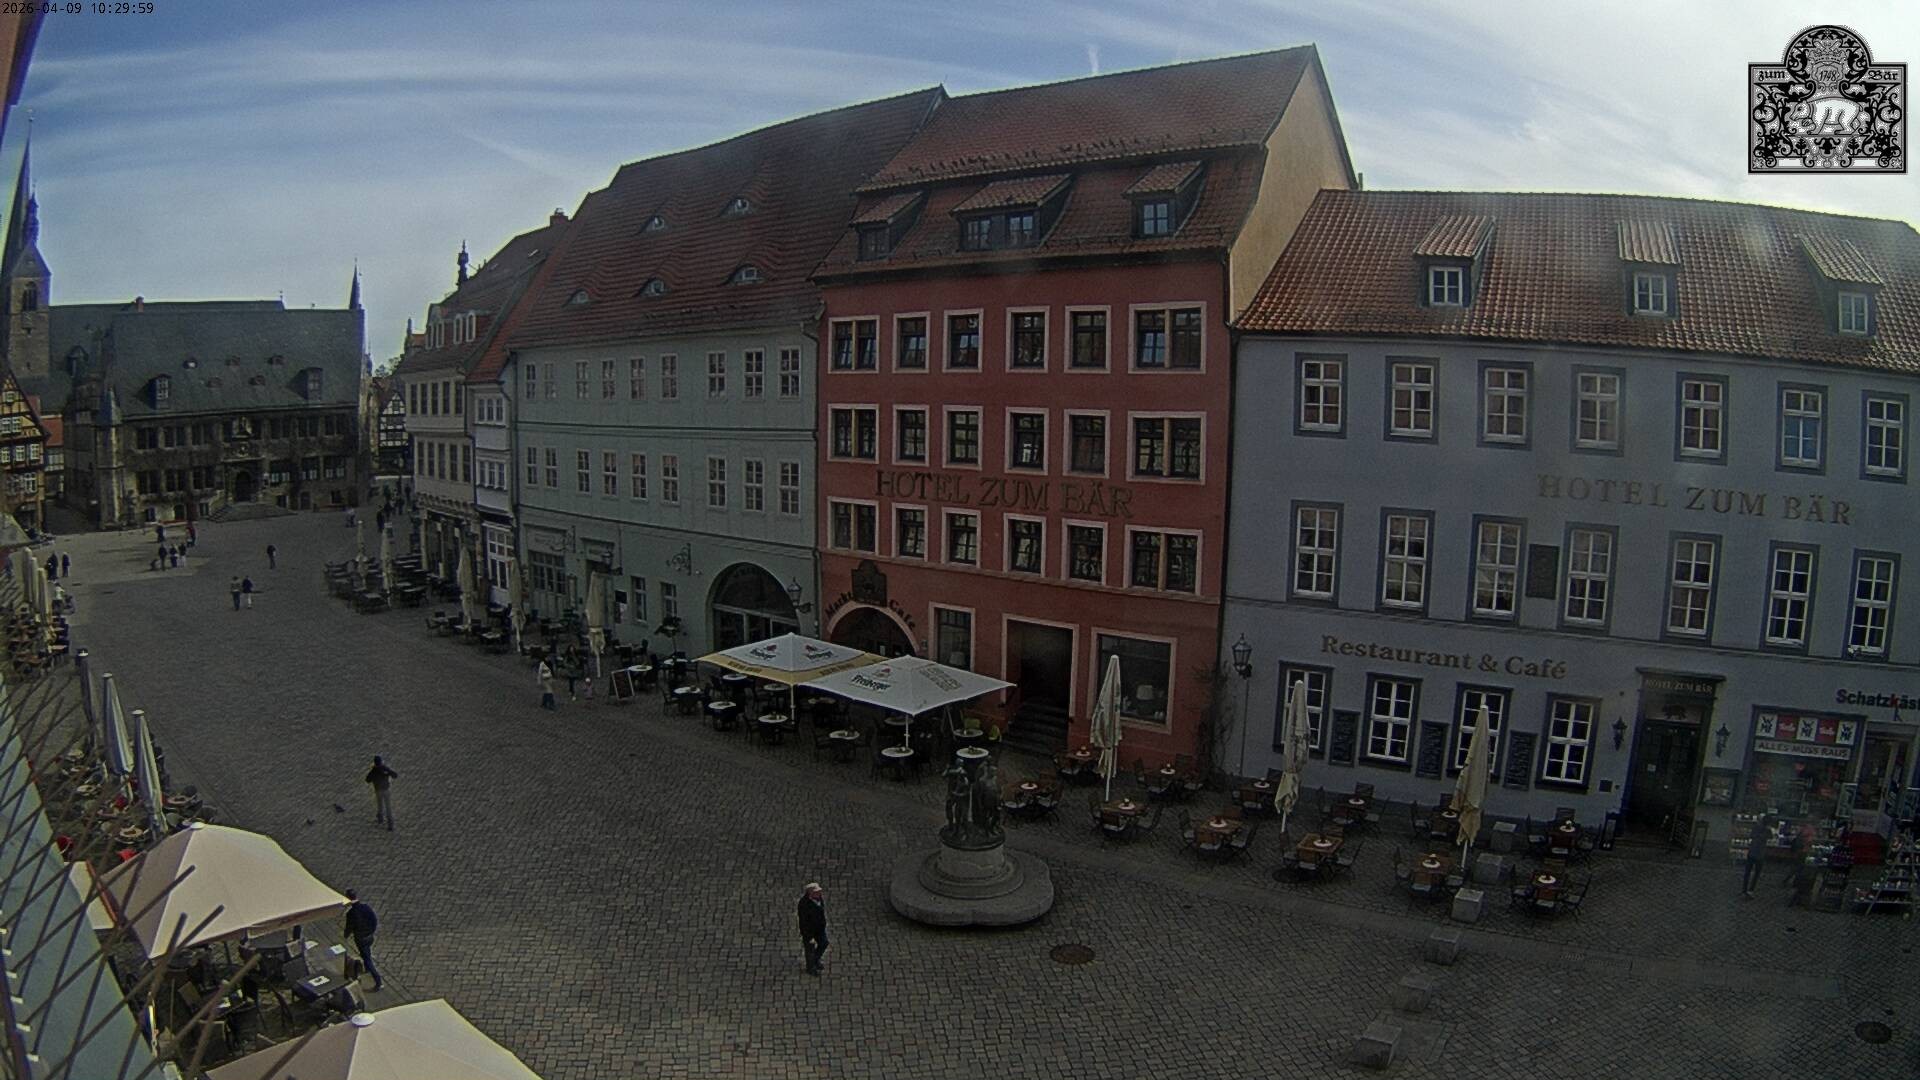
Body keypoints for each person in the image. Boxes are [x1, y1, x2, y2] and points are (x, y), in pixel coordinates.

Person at [343, 890, 382, 991]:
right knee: (367, 953)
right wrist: (371, 931)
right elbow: (374, 920)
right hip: (369, 936)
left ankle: (378, 981)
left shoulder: (351, 913)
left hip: (360, 938)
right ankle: (368, 969)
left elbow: (349, 927)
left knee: (367, 958)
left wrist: (345, 935)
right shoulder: (366, 907)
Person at [797, 882, 828, 976]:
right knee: (809, 949)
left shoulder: (819, 899)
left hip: (819, 928)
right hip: (809, 931)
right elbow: (803, 922)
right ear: (810, 893)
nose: (819, 893)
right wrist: (808, 935)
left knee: (824, 943)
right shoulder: (804, 904)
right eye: (817, 892)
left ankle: (815, 960)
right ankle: (811, 968)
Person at [365, 756, 398, 830]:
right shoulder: (385, 768)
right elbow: (395, 775)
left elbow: (367, 780)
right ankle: (390, 825)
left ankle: (380, 818)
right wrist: (388, 773)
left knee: (380, 804)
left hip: (378, 790)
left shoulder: (373, 771)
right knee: (388, 807)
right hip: (386, 790)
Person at [1742, 815, 1770, 898]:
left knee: (1747, 872)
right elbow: (1770, 837)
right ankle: (1751, 890)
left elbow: (1751, 835)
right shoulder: (1767, 830)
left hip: (1752, 852)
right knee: (1756, 874)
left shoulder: (1756, 827)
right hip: (1760, 854)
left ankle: (1744, 890)